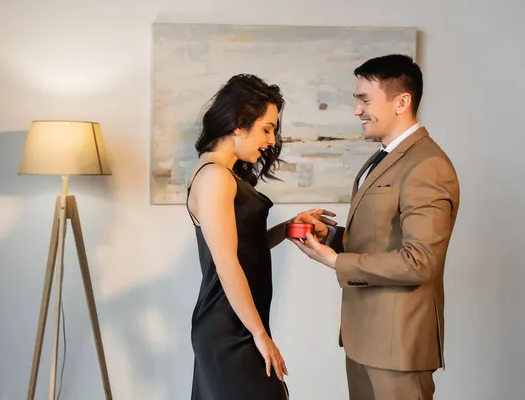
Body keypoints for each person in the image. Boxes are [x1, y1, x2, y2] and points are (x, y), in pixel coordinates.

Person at [291, 54, 460, 399]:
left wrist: (335, 261)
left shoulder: (428, 165)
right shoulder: (383, 157)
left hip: (397, 348)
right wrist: (333, 238)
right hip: (363, 340)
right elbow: (382, 237)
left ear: (401, 102)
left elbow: (420, 261)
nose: (357, 111)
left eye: (364, 100)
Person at [186, 73, 332, 400]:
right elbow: (226, 264)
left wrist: (287, 226)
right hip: (229, 328)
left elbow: (243, 249)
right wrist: (261, 336)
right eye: (267, 128)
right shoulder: (214, 178)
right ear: (240, 124)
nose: (270, 140)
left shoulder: (223, 175)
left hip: (237, 323)